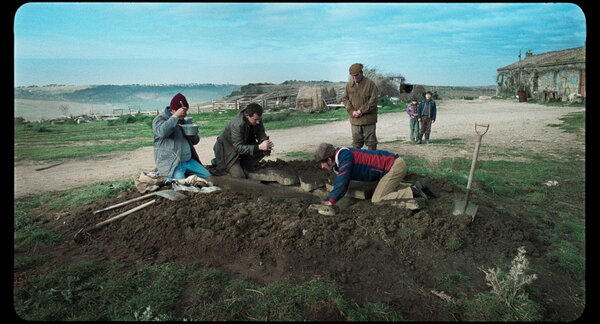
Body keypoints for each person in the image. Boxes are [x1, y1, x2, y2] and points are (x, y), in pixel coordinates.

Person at [314, 143, 414, 206]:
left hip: (394, 166)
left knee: (377, 199)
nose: (322, 166)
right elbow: (340, 181)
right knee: (382, 190)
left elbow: (342, 180)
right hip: (390, 167)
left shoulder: (344, 156)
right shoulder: (339, 161)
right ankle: (411, 187)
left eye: (322, 163)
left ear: (329, 159)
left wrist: (331, 200)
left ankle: (412, 191)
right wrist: (327, 199)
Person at [152, 93, 211, 182]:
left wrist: (192, 136)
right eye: (182, 112)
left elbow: (196, 141)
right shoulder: (160, 119)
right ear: (173, 110)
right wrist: (175, 117)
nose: (184, 115)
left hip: (188, 161)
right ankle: (164, 173)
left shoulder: (184, 120)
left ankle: (180, 173)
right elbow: (162, 132)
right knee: (181, 183)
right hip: (172, 163)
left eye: (185, 112)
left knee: (207, 176)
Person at [213, 102, 273, 178]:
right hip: (228, 150)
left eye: (259, 119)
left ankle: (243, 165)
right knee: (239, 177)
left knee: (264, 149)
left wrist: (265, 142)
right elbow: (238, 148)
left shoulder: (256, 119)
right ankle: (220, 163)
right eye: (255, 120)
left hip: (243, 145)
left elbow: (261, 133)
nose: (258, 122)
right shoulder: (237, 124)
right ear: (247, 115)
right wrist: (259, 147)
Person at [341, 63, 379, 150]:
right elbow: (345, 99)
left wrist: (361, 111)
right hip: (355, 120)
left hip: (368, 119)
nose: (354, 78)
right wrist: (352, 111)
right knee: (356, 143)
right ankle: (358, 161)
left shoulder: (370, 84)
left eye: (356, 75)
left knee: (371, 142)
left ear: (361, 73)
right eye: (352, 76)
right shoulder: (349, 85)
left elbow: (373, 100)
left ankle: (371, 161)